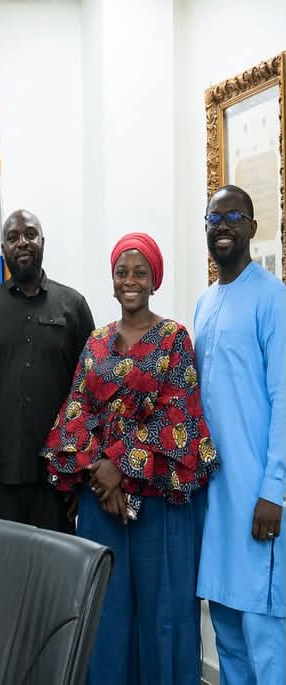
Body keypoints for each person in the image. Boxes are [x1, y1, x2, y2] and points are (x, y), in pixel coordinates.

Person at [43, 232, 218, 685]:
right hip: (101, 505)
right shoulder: (96, 342)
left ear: (154, 280)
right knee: (106, 617)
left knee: (162, 616)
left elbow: (177, 417)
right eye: (122, 272)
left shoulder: (174, 340)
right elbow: (75, 414)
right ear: (113, 280)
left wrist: (117, 466)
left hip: (158, 504)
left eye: (141, 272)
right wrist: (101, 474)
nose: (131, 280)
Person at [195, 185, 285, 684]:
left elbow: (284, 400)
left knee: (264, 636)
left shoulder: (273, 298)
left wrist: (274, 491)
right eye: (214, 218)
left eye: (234, 216)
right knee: (227, 632)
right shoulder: (204, 303)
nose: (223, 226)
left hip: (257, 501)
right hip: (215, 504)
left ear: (252, 227)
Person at [0, 209, 94, 530]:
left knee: (55, 563)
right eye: (13, 237)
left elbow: (88, 392)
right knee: (5, 563)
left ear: (43, 242)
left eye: (30, 235)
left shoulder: (73, 305)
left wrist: (79, 473)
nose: (22, 242)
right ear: (3, 249)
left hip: (57, 477)